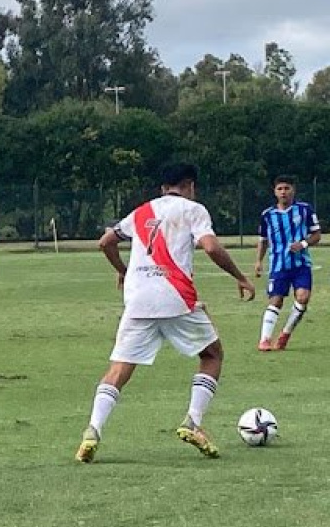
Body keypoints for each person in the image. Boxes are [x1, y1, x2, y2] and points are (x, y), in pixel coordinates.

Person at [75, 163, 255, 463]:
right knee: (212, 355)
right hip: (175, 297)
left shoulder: (141, 211)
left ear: (162, 188)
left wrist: (123, 270)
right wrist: (240, 276)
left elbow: (106, 242)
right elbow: (211, 247)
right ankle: (192, 422)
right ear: (190, 185)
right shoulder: (193, 210)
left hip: (138, 300)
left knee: (119, 369)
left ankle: (92, 430)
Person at [253, 175, 321, 351]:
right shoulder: (267, 215)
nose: (283, 192)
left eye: (287, 188)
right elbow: (263, 240)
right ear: (275, 192)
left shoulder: (305, 209)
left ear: (293, 190)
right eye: (280, 189)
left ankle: (285, 333)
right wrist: (258, 261)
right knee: (276, 301)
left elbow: (316, 234)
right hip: (278, 265)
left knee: (303, 298)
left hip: (301, 264)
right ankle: (265, 339)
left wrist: (303, 244)